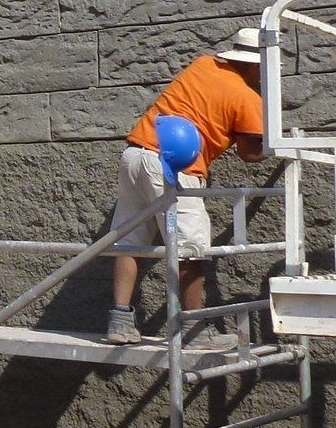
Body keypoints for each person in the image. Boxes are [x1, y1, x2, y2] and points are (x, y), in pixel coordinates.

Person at [105, 27, 265, 344]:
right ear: (257, 64)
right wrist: (275, 148)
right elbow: (248, 153)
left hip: (135, 153)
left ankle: (119, 321)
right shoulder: (247, 97)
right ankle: (194, 331)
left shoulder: (203, 64)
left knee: (130, 239)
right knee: (190, 249)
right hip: (172, 167)